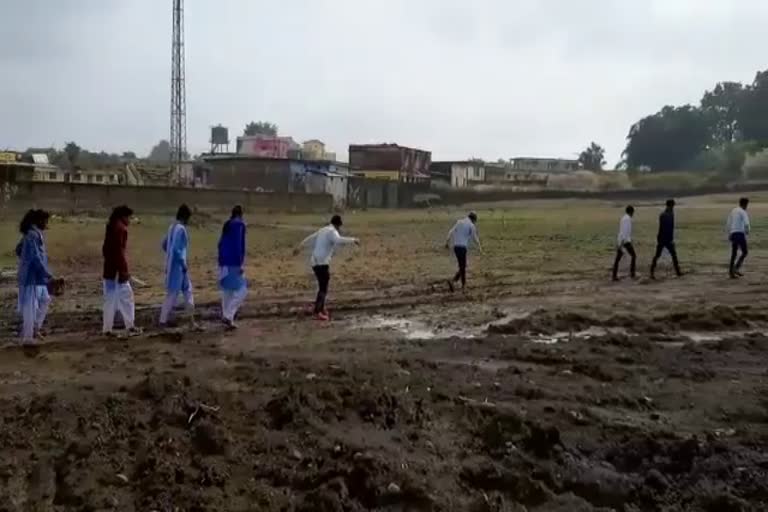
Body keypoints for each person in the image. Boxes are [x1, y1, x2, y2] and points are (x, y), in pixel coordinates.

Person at [293, 214, 359, 321]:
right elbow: (338, 240)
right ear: (337, 225)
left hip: (314, 261)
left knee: (322, 286)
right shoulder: (332, 232)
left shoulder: (323, 230)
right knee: (323, 287)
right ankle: (318, 311)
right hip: (322, 263)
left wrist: (300, 247)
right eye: (339, 226)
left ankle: (320, 307)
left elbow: (310, 239)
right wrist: (353, 240)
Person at [102, 205, 140, 336]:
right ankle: (130, 326)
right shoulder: (121, 229)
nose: (130, 220)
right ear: (123, 217)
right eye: (129, 217)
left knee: (110, 300)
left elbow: (106, 250)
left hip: (109, 269)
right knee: (127, 297)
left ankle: (107, 329)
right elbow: (119, 252)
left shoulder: (111, 226)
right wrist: (123, 270)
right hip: (118, 272)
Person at [17, 209, 53, 343]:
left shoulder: (32, 234)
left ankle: (34, 329)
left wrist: (24, 260)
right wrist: (48, 274)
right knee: (30, 307)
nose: (46, 223)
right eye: (45, 221)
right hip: (31, 277)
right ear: (39, 221)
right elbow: (36, 258)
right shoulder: (32, 235)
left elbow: (19, 249)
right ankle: (27, 337)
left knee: (45, 299)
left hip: (35, 276)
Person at [160, 204, 195, 327]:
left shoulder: (172, 227)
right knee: (174, 294)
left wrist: (169, 256)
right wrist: (182, 262)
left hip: (174, 266)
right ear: (185, 217)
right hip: (178, 267)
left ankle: (191, 319)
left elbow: (164, 244)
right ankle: (163, 320)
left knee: (187, 290)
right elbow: (176, 249)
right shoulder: (181, 229)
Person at [218, 205, 247, 329]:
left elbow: (220, 244)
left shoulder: (227, 225)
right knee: (242, 290)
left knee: (227, 291)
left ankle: (227, 317)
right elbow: (238, 246)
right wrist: (240, 263)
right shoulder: (240, 226)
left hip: (223, 263)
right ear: (240, 215)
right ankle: (229, 316)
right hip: (233, 262)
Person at [445, 212, 483, 291]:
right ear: (473, 219)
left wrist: (447, 242)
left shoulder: (459, 222)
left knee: (462, 266)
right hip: (462, 248)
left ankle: (455, 282)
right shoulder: (471, 225)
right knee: (463, 267)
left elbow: (450, 232)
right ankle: (462, 285)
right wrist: (479, 248)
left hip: (456, 247)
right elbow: (475, 238)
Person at [650, 199, 682, 279]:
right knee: (670, 255)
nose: (673, 207)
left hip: (664, 238)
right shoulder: (667, 215)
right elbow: (664, 228)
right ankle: (678, 272)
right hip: (665, 238)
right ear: (670, 205)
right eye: (672, 205)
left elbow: (667, 228)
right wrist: (669, 238)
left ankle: (652, 271)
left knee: (660, 255)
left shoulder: (666, 214)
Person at [726, 197, 750, 278]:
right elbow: (746, 223)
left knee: (734, 253)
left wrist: (729, 234)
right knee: (745, 252)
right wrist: (747, 232)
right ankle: (736, 268)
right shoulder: (743, 212)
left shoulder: (733, 210)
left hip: (733, 233)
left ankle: (731, 272)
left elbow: (729, 222)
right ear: (745, 204)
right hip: (740, 233)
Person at [612, 205, 636, 281]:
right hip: (625, 241)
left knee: (618, 259)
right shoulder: (627, 219)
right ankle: (632, 274)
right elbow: (625, 231)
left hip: (622, 240)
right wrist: (622, 244)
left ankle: (614, 275)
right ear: (631, 212)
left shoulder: (624, 218)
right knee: (633, 256)